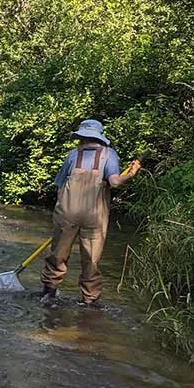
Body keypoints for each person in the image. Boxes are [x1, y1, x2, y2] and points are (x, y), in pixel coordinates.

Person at [40, 119, 141, 306]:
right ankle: (89, 301)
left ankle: (49, 293)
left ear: (81, 137)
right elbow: (115, 182)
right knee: (91, 259)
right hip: (94, 215)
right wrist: (131, 174)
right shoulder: (109, 155)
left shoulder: (72, 155)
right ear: (100, 138)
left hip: (67, 213)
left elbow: (60, 186)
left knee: (58, 254)